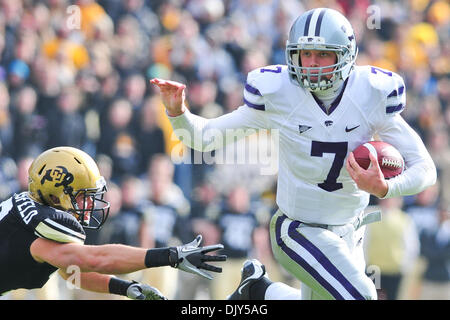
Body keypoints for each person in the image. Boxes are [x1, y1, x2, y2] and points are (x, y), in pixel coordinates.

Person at [151, 7, 437, 300]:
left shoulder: (370, 93)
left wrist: (387, 187)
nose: (312, 64)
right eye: (305, 54)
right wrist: (178, 113)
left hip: (349, 230)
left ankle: (260, 291)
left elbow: (425, 169)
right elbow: (203, 138)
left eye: (323, 54)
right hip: (297, 229)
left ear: (346, 55)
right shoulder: (280, 93)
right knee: (361, 297)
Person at [0, 146, 226, 299]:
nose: (90, 203)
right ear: (54, 194)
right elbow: (94, 259)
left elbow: (72, 271)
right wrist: (169, 256)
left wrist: (126, 287)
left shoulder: (32, 217)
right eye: (82, 195)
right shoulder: (32, 231)